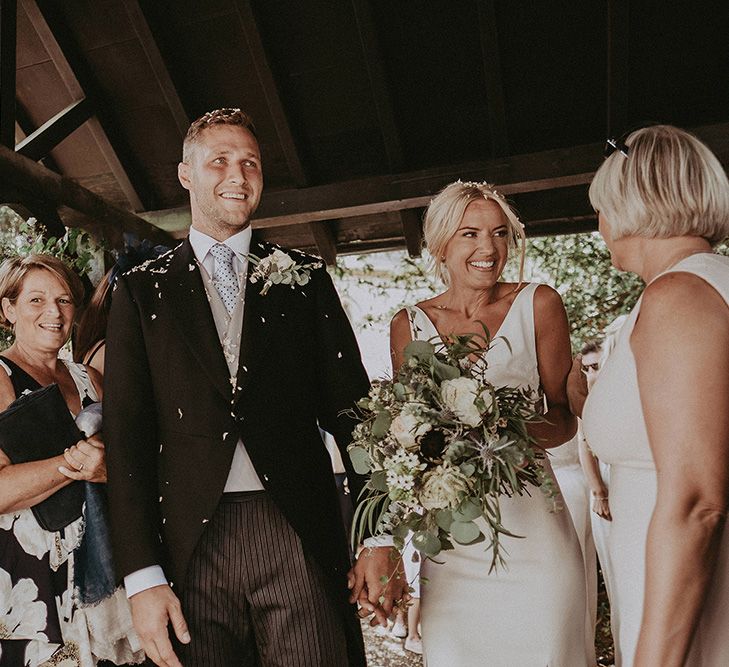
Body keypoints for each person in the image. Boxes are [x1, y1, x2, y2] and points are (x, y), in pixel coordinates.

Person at [104, 108, 406, 667]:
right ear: (186, 174)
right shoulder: (140, 292)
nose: (237, 175)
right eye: (219, 161)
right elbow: (127, 439)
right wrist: (143, 578)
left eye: (250, 163)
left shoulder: (305, 278)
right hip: (189, 543)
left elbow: (356, 417)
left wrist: (378, 534)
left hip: (296, 530)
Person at [389, 180, 591, 665]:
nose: (489, 249)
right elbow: (407, 440)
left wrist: (502, 431)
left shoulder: (539, 304)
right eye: (470, 234)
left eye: (499, 234)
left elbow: (563, 419)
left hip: (534, 532)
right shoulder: (408, 325)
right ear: (440, 244)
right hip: (453, 543)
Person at [570, 124, 729, 666]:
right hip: (674, 583)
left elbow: (696, 501)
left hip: (688, 604)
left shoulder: (680, 297)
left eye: (599, 209)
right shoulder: (705, 283)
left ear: (624, 207)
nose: (600, 227)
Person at [0, 254, 141, 667]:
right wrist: (76, 463)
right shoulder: (3, 376)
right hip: (30, 575)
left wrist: (108, 467)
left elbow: (125, 465)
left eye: (63, 301)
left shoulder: (89, 379)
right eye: (36, 300)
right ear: (8, 310)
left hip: (99, 566)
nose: (53, 313)